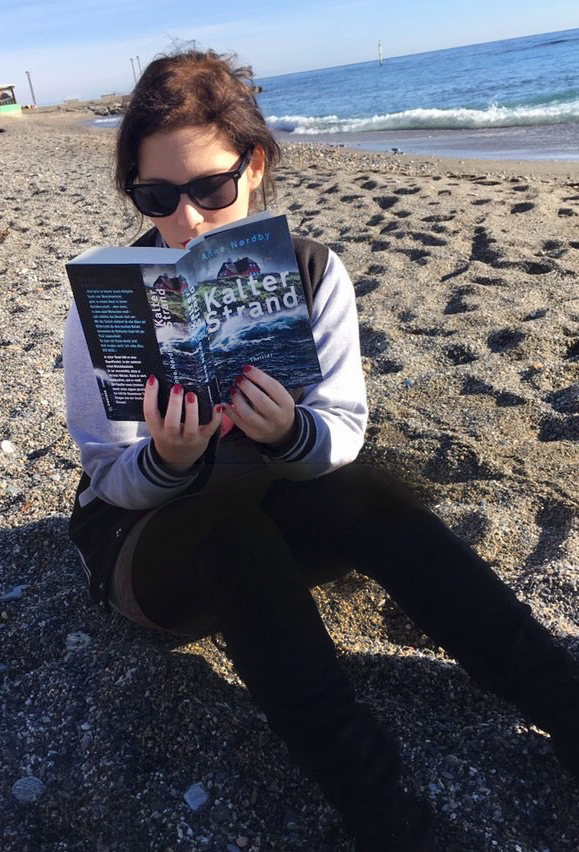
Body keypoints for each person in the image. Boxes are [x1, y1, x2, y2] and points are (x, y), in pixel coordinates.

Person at [63, 48, 578, 851]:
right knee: (231, 533)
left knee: (370, 490)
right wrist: (168, 460)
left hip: (277, 510)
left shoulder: (310, 270)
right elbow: (106, 474)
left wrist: (287, 432)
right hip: (154, 543)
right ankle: (383, 815)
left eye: (210, 189)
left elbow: (342, 429)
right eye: (157, 196)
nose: (186, 220)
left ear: (253, 165)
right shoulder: (110, 300)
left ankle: (563, 704)